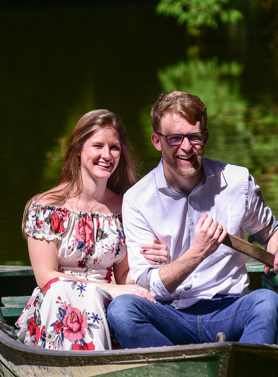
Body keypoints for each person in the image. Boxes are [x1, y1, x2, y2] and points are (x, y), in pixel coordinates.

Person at [107, 91, 278, 349]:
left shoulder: (237, 182)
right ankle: (177, 372)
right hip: (171, 314)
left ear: (205, 137)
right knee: (122, 310)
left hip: (229, 309)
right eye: (174, 138)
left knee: (267, 301)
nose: (186, 147)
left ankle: (246, 376)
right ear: (156, 141)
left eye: (194, 137)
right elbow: (149, 284)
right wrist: (198, 252)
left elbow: (273, 232)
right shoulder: (136, 200)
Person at [15, 109, 168, 351]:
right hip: (57, 305)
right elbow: (46, 277)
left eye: (114, 147)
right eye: (98, 146)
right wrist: (111, 289)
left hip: (108, 306)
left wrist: (155, 264)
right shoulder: (45, 207)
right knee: (59, 289)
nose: (107, 155)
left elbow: (124, 275)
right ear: (78, 149)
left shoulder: (127, 208)